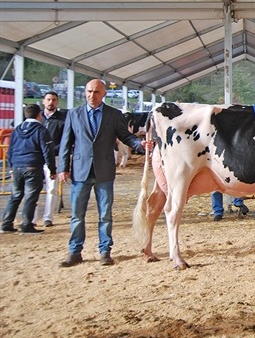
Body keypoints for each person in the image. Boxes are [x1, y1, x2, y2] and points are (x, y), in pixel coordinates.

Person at [57, 79, 154, 267]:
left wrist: (140, 145)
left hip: (105, 172)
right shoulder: (73, 114)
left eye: (96, 92)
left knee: (105, 215)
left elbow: (125, 136)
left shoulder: (114, 115)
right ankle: (75, 251)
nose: (91, 95)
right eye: (89, 91)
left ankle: (105, 251)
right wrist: (62, 168)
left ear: (104, 94)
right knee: (77, 214)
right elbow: (65, 143)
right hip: (80, 171)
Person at [0, 104, 56, 235]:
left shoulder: (17, 129)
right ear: (39, 115)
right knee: (31, 196)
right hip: (33, 166)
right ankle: (27, 224)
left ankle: (6, 223)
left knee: (15, 196)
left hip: (17, 166)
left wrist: (12, 166)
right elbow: (47, 151)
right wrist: (52, 169)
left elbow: (10, 150)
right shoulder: (41, 130)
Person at [34, 91, 67, 227]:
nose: (50, 102)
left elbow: (65, 139)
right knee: (33, 189)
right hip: (36, 158)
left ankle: (48, 217)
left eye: (53, 100)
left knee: (52, 188)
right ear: (43, 101)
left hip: (54, 157)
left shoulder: (62, 119)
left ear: (57, 102)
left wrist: (53, 150)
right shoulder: (37, 118)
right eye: (48, 99)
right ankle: (32, 218)